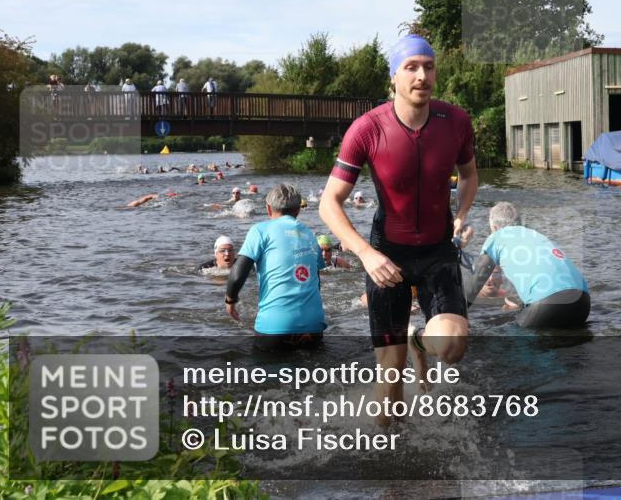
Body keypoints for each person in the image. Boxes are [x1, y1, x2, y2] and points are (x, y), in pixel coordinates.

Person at [319, 33, 477, 414]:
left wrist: (461, 214)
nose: (421, 75)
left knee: (453, 347)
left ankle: (418, 342)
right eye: (411, 67)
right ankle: (388, 460)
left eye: (428, 66)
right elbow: (329, 203)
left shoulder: (454, 122)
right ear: (394, 77)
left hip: (438, 251)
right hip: (387, 256)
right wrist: (366, 255)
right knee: (391, 380)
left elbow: (469, 176)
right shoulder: (368, 129)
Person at [226, 184, 327, 349]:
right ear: (298, 211)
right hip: (314, 326)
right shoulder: (309, 234)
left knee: (266, 373)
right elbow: (316, 281)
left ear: (268, 208)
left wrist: (230, 300)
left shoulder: (260, 230)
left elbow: (238, 273)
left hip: (275, 327)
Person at [465, 202, 590, 329]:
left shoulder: (496, 237)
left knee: (504, 339)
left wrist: (455, 313)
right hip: (583, 301)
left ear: (495, 228)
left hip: (550, 302)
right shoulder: (537, 235)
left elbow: (476, 282)